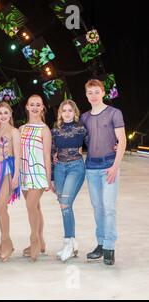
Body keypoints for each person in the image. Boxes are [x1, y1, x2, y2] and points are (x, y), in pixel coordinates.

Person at [81, 79, 126, 266]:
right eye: (90, 92)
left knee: (109, 208)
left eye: (96, 91)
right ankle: (100, 243)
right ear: (86, 95)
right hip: (91, 167)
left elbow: (122, 141)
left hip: (108, 165)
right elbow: (78, 142)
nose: (93, 95)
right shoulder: (84, 117)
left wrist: (115, 166)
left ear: (103, 92)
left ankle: (109, 246)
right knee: (98, 208)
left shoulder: (114, 113)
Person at [51, 100, 86, 262]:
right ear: (60, 113)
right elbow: (52, 153)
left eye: (70, 110)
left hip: (75, 167)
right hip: (59, 169)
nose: (67, 113)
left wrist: (113, 147)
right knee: (65, 206)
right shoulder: (55, 130)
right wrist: (51, 177)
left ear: (75, 112)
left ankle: (68, 241)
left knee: (65, 204)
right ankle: (72, 243)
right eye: (63, 110)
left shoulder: (81, 128)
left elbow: (93, 144)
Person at [19, 95, 51, 262]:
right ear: (27, 106)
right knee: (36, 208)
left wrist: (48, 178)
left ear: (42, 108)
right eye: (32, 104)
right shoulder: (22, 129)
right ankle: (42, 240)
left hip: (38, 173)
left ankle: (34, 240)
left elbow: (46, 154)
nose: (35, 107)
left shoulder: (44, 129)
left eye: (38, 105)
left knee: (31, 205)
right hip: (24, 173)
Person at [0, 102, 21, 262]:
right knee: (1, 208)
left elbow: (18, 155)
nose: (3, 116)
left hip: (8, 171)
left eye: (5, 113)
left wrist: (16, 177)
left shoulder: (14, 132)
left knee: (1, 206)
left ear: (10, 114)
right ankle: (4, 242)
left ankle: (7, 243)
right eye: (0, 113)